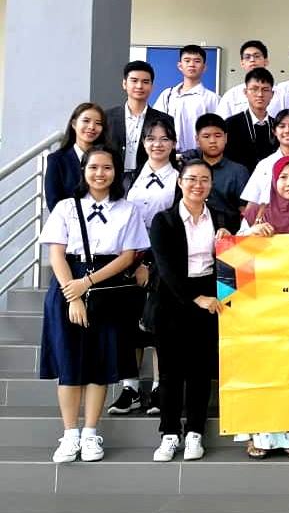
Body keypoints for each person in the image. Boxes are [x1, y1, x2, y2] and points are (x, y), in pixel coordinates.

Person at [40, 145, 149, 463]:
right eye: (94, 167)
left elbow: (127, 256)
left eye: (107, 168)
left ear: (116, 172)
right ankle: (69, 434)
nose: (100, 174)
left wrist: (87, 283)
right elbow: (56, 254)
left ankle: (90, 433)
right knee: (69, 364)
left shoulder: (127, 210)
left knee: (100, 364)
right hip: (67, 283)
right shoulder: (66, 207)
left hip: (107, 286)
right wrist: (73, 295)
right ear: (84, 171)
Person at [232, 156, 289, 459]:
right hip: (260, 308)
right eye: (283, 177)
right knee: (262, 367)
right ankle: (259, 433)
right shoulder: (254, 215)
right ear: (273, 181)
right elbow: (234, 261)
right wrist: (250, 237)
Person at [150, 159, 229, 462]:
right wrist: (196, 298)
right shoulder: (164, 220)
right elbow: (166, 269)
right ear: (180, 182)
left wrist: (233, 238)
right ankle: (169, 433)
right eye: (192, 179)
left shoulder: (220, 217)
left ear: (211, 185)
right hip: (172, 300)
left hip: (210, 299)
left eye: (204, 180)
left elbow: (237, 256)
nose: (198, 185)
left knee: (200, 371)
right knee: (170, 372)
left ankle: (195, 431)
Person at [107, 120, 179, 418]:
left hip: (164, 263)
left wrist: (150, 264)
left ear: (173, 143)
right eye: (151, 138)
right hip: (128, 260)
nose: (157, 144)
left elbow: (176, 225)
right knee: (127, 326)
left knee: (160, 325)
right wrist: (133, 262)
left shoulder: (180, 178)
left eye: (164, 139)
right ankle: (130, 388)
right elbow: (120, 220)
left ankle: (161, 387)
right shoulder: (129, 178)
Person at [106, 60, 174, 188]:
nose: (139, 86)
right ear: (124, 84)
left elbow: (170, 157)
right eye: (134, 80)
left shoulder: (165, 120)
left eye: (145, 82)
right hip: (112, 181)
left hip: (149, 183)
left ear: (152, 86)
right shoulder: (108, 117)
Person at [180, 114, 250, 234]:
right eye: (206, 136)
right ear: (197, 140)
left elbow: (245, 212)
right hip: (189, 232)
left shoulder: (238, 171)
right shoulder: (188, 168)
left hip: (228, 235)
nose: (212, 141)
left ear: (226, 138)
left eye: (218, 136)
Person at [152, 45, 220, 153]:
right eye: (187, 61)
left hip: (200, 156)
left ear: (204, 67)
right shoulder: (167, 95)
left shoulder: (212, 99)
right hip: (169, 155)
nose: (192, 64)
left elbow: (218, 132)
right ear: (180, 66)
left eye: (197, 61)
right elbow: (156, 125)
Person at [45, 103, 110, 211]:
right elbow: (54, 202)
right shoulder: (57, 160)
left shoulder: (109, 158)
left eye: (98, 123)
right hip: (69, 220)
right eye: (86, 121)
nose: (92, 127)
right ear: (74, 124)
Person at [223, 68, 279, 173]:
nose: (260, 94)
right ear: (245, 92)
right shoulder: (231, 124)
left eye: (265, 90)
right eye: (254, 89)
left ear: (272, 94)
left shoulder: (278, 126)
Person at [216, 39, 269, 118]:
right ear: (242, 63)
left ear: (266, 61)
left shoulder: (279, 94)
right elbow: (221, 123)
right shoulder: (231, 95)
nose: (252, 60)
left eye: (257, 56)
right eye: (247, 57)